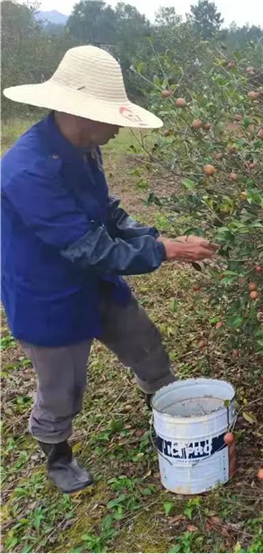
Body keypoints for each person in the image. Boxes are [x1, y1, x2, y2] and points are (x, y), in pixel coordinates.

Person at [0, 45, 218, 494]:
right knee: (62, 386)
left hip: (94, 280)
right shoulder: (27, 171)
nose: (120, 127)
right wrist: (166, 250)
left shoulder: (84, 150)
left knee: (144, 343)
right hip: (49, 293)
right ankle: (57, 453)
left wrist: (152, 236)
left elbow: (107, 214)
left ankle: (166, 411)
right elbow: (91, 248)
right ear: (82, 115)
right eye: (114, 117)